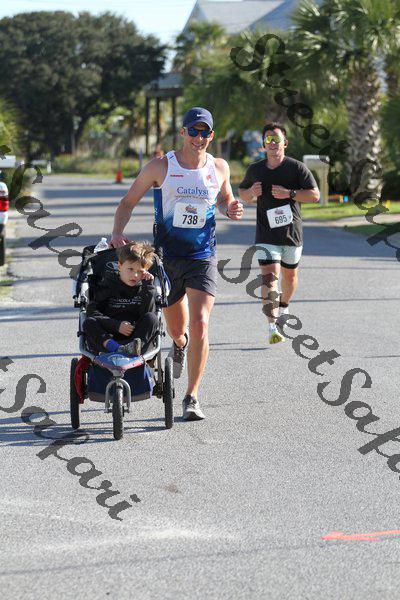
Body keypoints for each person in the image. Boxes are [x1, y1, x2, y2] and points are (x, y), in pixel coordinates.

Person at [110, 107, 244, 421]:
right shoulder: (161, 166)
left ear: (211, 135)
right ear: (183, 132)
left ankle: (191, 396)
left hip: (202, 257)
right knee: (177, 329)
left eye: (205, 132)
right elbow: (128, 202)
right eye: (193, 131)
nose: (199, 137)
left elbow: (224, 199)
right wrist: (117, 232)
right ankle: (180, 345)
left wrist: (231, 207)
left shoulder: (219, 167)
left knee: (200, 325)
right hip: (166, 259)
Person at [238, 122, 319, 344]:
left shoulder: (297, 168)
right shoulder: (255, 169)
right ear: (263, 144)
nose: (273, 143)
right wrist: (251, 192)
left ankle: (284, 305)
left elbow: (314, 195)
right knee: (269, 276)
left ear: (285, 143)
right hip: (266, 234)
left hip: (292, 233)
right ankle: (272, 326)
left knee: (290, 277)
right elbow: (243, 193)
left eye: (277, 139)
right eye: (268, 139)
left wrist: (289, 193)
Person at [83, 242, 159, 356]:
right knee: (89, 322)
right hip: (109, 336)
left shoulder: (145, 288)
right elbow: (92, 311)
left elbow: (148, 313)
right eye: (130, 269)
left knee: (152, 318)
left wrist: (148, 287)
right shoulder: (108, 285)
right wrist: (116, 325)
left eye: (140, 271)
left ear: (146, 272)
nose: (135, 275)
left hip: (135, 339)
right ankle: (115, 348)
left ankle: (133, 349)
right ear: (119, 266)